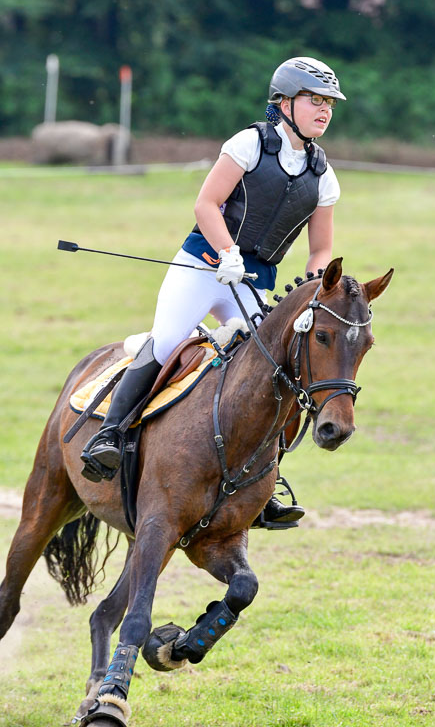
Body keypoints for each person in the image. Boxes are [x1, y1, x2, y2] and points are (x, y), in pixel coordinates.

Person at [81, 55, 344, 525]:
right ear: (284, 103)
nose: (324, 111)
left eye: (329, 104)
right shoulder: (248, 144)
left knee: (275, 372)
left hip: (255, 282)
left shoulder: (323, 174)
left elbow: (320, 249)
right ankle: (111, 437)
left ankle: (265, 481)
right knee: (165, 343)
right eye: (315, 101)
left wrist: (315, 287)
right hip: (203, 266)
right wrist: (227, 252)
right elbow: (207, 203)